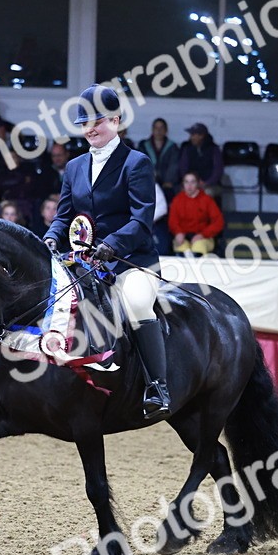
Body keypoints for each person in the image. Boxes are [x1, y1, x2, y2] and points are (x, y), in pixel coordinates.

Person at [43, 84, 168, 419]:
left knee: (138, 303)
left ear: (115, 120)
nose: (90, 129)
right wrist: (51, 238)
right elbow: (63, 216)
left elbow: (141, 220)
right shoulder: (74, 167)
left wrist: (112, 244)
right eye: (84, 123)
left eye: (97, 121)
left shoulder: (136, 163)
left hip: (131, 262)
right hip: (83, 261)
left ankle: (157, 387)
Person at [168, 172, 223, 257]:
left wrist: (203, 235)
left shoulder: (207, 200)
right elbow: (173, 221)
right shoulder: (177, 200)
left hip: (203, 237)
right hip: (183, 236)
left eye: (192, 182)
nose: (189, 185)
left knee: (198, 248)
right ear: (183, 184)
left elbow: (218, 222)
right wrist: (178, 232)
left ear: (198, 183)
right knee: (182, 249)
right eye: (186, 182)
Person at [177, 123, 224, 199]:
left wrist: (206, 183)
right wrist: (191, 182)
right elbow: (183, 168)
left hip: (210, 184)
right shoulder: (187, 148)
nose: (191, 137)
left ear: (201, 136)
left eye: (193, 135)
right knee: (182, 192)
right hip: (191, 183)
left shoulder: (214, 149)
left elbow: (217, 171)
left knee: (207, 192)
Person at [139, 117, 180, 201]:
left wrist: (168, 181)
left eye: (161, 128)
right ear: (152, 130)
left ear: (166, 130)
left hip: (167, 183)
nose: (159, 131)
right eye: (156, 128)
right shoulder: (143, 145)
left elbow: (174, 165)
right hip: (148, 181)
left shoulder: (173, 147)